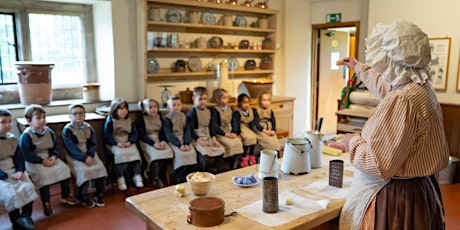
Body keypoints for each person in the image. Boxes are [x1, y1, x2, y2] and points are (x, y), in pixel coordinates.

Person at [338, 20, 449, 229]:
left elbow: (379, 165)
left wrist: (352, 141)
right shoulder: (420, 88)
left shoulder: (403, 100)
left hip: (395, 200)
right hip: (417, 192)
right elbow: (387, 89)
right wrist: (358, 67)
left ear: (391, 60)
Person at [19, 104, 77, 217]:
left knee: (64, 169)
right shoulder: (26, 135)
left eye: (43, 118)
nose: (42, 121)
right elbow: (26, 154)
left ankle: (65, 195)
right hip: (34, 161)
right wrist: (42, 161)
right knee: (43, 176)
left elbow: (55, 147)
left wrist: (54, 156)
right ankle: (46, 201)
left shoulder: (49, 132)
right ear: (29, 120)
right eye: (38, 118)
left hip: (49, 157)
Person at [62, 104, 107, 208]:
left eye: (81, 113)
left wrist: (90, 155)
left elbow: (93, 143)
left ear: (84, 115)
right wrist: (83, 158)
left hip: (89, 153)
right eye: (75, 114)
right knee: (83, 171)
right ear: (70, 116)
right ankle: (83, 196)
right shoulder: (68, 130)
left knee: (99, 168)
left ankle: (99, 193)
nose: (78, 116)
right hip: (75, 155)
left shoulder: (88, 127)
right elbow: (71, 147)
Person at [0, 108, 38, 230]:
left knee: (27, 186)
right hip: (1, 174)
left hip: (13, 169)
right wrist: (3, 176)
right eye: (3, 122)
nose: (8, 125)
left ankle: (26, 217)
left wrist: (20, 170)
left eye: (9, 121)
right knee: (10, 194)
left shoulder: (11, 138)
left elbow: (19, 157)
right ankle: (16, 221)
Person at [103, 99, 143, 191]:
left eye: (125, 108)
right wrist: (116, 143)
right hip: (115, 143)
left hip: (127, 141)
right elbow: (107, 136)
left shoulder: (130, 121)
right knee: (119, 155)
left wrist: (130, 141)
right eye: (120, 109)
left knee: (135, 153)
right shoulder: (110, 121)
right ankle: (120, 178)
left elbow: (134, 134)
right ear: (114, 110)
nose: (123, 111)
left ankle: (137, 175)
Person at [187, 87, 225, 173]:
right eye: (200, 99)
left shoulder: (209, 111)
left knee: (221, 149)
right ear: (194, 99)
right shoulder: (192, 113)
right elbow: (190, 129)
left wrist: (214, 138)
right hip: (197, 138)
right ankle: (202, 171)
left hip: (208, 136)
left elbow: (211, 126)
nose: (202, 101)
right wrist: (198, 139)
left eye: (204, 99)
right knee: (203, 152)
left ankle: (216, 169)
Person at [137, 98, 173, 188]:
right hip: (147, 141)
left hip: (158, 139)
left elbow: (162, 132)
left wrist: (162, 141)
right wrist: (153, 144)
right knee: (155, 156)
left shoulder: (159, 116)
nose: (153, 109)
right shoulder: (141, 119)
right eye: (150, 107)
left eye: (155, 107)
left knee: (168, 152)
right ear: (145, 109)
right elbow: (142, 135)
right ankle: (155, 177)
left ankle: (155, 172)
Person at [163, 96, 197, 183]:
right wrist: (179, 145)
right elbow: (169, 135)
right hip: (174, 141)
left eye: (178, 104)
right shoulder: (167, 119)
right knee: (180, 154)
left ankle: (189, 174)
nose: (176, 107)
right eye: (173, 105)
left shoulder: (183, 116)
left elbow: (187, 131)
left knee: (191, 152)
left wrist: (187, 143)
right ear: (169, 107)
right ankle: (180, 176)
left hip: (184, 139)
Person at [211, 88, 244, 170]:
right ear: (218, 99)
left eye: (227, 97)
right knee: (229, 144)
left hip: (230, 131)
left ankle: (234, 163)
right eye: (224, 98)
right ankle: (224, 164)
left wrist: (234, 132)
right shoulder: (215, 110)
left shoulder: (230, 109)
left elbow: (234, 121)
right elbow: (214, 125)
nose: (227, 99)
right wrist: (225, 134)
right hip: (221, 133)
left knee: (238, 143)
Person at [233, 93, 257, 167]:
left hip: (248, 128)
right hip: (242, 128)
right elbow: (236, 123)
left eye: (247, 102)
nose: (246, 105)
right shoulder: (238, 112)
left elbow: (252, 121)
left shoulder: (250, 111)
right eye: (244, 102)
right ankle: (244, 156)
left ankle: (251, 154)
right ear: (240, 103)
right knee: (247, 138)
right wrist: (238, 133)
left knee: (254, 137)